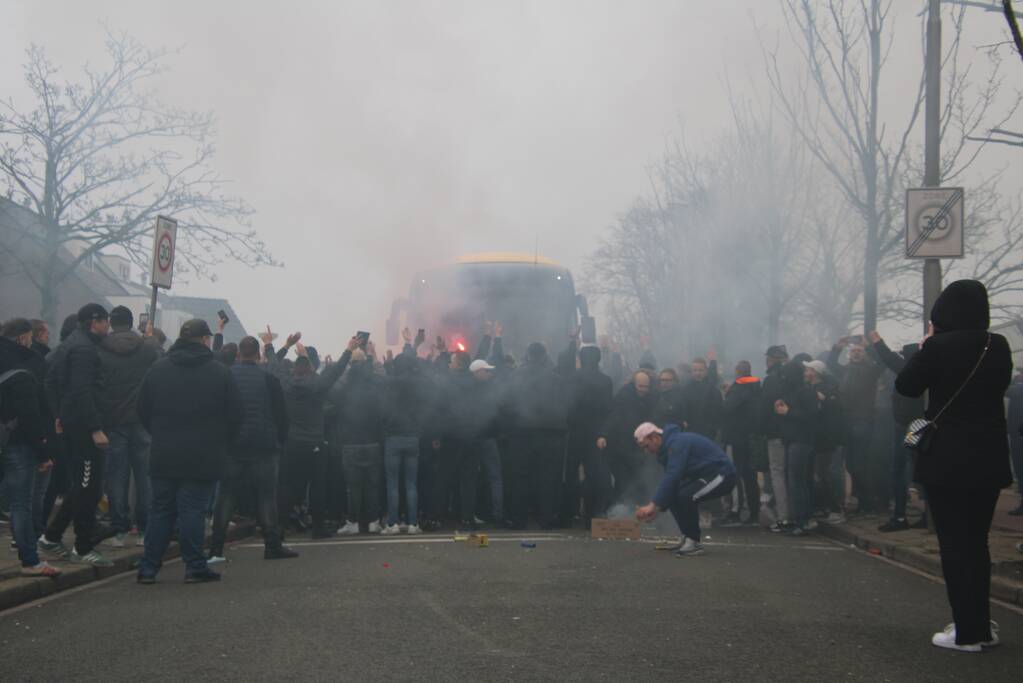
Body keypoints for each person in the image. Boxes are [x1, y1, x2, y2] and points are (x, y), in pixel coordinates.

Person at [895, 280, 1012, 653]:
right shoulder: (999, 345)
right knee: (977, 544)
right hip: (989, 457)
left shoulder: (939, 347)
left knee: (954, 546)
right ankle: (980, 624)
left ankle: (967, 633)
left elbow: (907, 386)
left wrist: (926, 346)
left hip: (947, 459)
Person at [136, 319, 244, 584]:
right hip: (204, 453)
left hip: (164, 452)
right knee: (192, 511)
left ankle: (148, 568)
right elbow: (236, 416)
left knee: (161, 510)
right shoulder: (220, 373)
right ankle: (194, 566)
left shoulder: (158, 370)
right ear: (205, 340)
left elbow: (142, 409)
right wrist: (221, 441)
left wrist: (159, 433)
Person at [39, 303, 118, 567]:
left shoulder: (69, 345)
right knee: (89, 487)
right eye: (106, 320)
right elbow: (82, 390)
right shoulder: (84, 350)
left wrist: (59, 415)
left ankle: (51, 537)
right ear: (94, 321)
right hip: (85, 428)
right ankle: (83, 547)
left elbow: (51, 383)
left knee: (81, 485)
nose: (109, 325)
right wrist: (95, 427)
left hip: (72, 423)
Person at [208, 335, 296, 562]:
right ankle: (272, 545)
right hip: (264, 445)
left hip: (233, 446)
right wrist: (279, 442)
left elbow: (218, 411)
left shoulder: (225, 377)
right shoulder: (269, 379)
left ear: (238, 353)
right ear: (258, 355)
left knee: (226, 496)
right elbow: (282, 417)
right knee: (266, 497)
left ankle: (216, 549)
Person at [269, 336, 352, 538]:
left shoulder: (287, 384)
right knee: (317, 485)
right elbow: (335, 372)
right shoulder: (317, 384)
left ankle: (280, 526)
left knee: (287, 486)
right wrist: (348, 351)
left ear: (294, 369)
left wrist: (272, 346)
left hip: (293, 441)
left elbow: (274, 368)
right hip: (315, 442)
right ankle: (318, 527)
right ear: (311, 369)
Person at [0, 319, 60, 577]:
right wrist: (43, 452)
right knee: (21, 503)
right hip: (18, 444)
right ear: (24, 338)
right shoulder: (25, 367)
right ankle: (30, 560)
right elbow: (30, 415)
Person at [96, 306, 160, 547]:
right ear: (133, 322)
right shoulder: (147, 348)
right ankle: (144, 529)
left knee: (116, 476)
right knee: (145, 477)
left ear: (111, 323)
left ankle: (119, 529)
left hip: (112, 421)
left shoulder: (100, 348)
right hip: (142, 420)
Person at [634, 422, 736, 557]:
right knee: (674, 495)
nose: (647, 451)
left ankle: (693, 542)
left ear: (655, 437)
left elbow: (673, 476)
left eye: (646, 446)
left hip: (722, 474)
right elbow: (672, 484)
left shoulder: (677, 443)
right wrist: (658, 508)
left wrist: (653, 505)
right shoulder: (667, 449)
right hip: (706, 475)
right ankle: (687, 537)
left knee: (686, 496)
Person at [502, 342, 569, 529]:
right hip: (552, 434)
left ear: (527, 355)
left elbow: (506, 404)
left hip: (521, 433)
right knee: (549, 478)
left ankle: (518, 519)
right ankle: (547, 518)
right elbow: (566, 404)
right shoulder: (556, 378)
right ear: (544, 356)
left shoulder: (514, 377)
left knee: (520, 477)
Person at [869, 331, 928, 530]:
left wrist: (878, 343)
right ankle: (928, 516)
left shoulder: (909, 371)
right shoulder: (925, 372)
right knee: (917, 469)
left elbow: (889, 359)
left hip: (908, 426)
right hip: (916, 425)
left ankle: (900, 517)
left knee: (900, 469)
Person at [827, 336, 884, 513]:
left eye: (859, 351)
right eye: (853, 351)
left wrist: (872, 347)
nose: (856, 353)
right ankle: (861, 499)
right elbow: (831, 364)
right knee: (851, 464)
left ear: (864, 354)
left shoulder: (870, 371)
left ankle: (869, 501)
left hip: (863, 419)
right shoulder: (845, 370)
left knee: (859, 463)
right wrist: (838, 348)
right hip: (847, 420)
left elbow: (882, 362)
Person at [334, 347, 385, 535]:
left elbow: (334, 386)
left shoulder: (344, 387)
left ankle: (353, 521)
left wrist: (349, 364)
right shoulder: (374, 387)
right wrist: (374, 357)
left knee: (353, 486)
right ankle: (373, 521)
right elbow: (382, 377)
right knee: (372, 485)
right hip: (372, 441)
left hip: (350, 442)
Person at [566, 345, 613, 522]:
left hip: (574, 433)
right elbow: (609, 409)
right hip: (596, 434)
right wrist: (603, 433)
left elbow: (568, 406)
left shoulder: (572, 378)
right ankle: (591, 514)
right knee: (594, 474)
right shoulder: (605, 381)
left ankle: (569, 511)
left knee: (570, 474)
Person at [597, 370, 654, 506]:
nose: (644, 390)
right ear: (634, 384)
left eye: (646, 387)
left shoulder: (651, 397)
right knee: (623, 482)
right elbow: (613, 418)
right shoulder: (623, 398)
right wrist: (603, 435)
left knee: (640, 481)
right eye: (641, 386)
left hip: (639, 448)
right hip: (621, 447)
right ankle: (620, 514)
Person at [722, 361, 761, 526]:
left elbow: (727, 408)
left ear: (738, 372)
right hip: (752, 437)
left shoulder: (738, 389)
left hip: (735, 437)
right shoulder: (757, 388)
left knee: (735, 474)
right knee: (750, 476)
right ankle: (754, 513)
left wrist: (728, 393)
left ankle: (735, 511)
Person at [760, 345, 792, 531]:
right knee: (791, 474)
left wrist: (762, 428)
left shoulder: (772, 380)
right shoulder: (792, 378)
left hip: (775, 432)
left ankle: (783, 516)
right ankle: (793, 513)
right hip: (793, 431)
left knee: (777, 473)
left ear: (772, 359)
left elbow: (766, 407)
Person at [680, 357, 722, 440]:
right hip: (691, 430)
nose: (698, 373)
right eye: (695, 370)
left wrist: (715, 428)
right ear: (691, 372)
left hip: (709, 432)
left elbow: (718, 411)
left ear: (706, 371)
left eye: (700, 370)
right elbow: (683, 407)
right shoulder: (686, 389)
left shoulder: (713, 390)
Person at [1004, 374, 1023, 516]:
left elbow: (1006, 390)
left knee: (1021, 470)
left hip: (1019, 436)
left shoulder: (1019, 389)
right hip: (1017, 434)